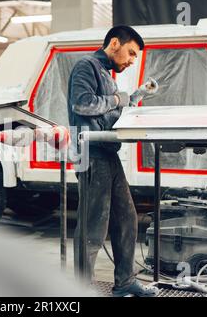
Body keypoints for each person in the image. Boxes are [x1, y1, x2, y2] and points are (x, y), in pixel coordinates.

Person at [68, 25, 159, 297]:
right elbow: (82, 104)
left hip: (108, 153)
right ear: (115, 43)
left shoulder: (106, 73)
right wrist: (120, 97)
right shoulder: (87, 66)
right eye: (131, 53)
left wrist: (138, 94)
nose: (132, 60)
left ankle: (124, 282)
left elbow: (111, 107)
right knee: (92, 227)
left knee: (126, 219)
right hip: (92, 154)